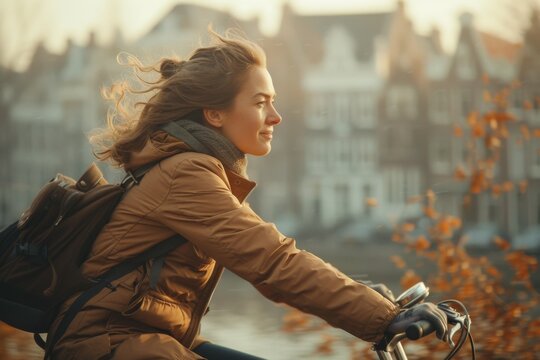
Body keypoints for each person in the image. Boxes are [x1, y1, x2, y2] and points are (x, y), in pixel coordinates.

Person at [48, 27, 448, 360]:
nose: (275, 117)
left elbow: (272, 254)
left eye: (273, 102)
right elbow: (272, 262)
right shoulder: (185, 174)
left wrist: (368, 299)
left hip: (142, 336)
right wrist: (380, 318)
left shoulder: (196, 167)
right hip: (106, 344)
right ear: (214, 113)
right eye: (260, 103)